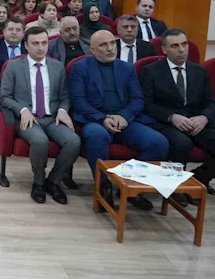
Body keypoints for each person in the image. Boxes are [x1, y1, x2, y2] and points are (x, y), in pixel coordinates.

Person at [69, 29, 169, 210]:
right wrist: (102, 118)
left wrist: (124, 116)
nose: (110, 48)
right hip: (95, 120)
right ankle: (104, 187)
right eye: (103, 45)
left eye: (112, 43)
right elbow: (78, 101)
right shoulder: (80, 67)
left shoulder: (127, 68)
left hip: (125, 120)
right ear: (92, 49)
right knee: (96, 136)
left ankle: (130, 187)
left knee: (158, 142)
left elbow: (138, 99)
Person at [0, 27, 81, 204]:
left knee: (74, 141)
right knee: (40, 141)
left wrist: (62, 110)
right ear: (26, 46)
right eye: (35, 43)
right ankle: (38, 182)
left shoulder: (57, 67)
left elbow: (65, 96)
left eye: (44, 43)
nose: (40, 47)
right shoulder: (14, 66)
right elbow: (4, 97)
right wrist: (22, 110)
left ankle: (53, 181)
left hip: (52, 117)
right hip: (28, 117)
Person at [142, 29, 215, 194]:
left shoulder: (199, 71)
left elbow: (210, 101)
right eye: (175, 46)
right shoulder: (151, 71)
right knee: (182, 144)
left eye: (184, 44)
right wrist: (171, 117)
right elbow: (147, 104)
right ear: (164, 49)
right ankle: (174, 189)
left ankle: (199, 178)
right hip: (168, 123)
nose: (182, 50)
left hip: (196, 122)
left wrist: (204, 118)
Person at [0, 17, 25, 98]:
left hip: (26, 84)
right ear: (4, 31)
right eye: (10, 29)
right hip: (2, 84)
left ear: (23, 33)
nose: (14, 33)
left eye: (18, 30)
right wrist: (8, 84)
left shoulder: (28, 46)